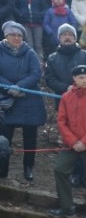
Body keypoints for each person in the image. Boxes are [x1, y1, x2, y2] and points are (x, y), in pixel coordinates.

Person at [48, 64, 86, 218]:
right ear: (74, 79)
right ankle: (67, 206)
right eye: (81, 78)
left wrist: (85, 142)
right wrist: (73, 142)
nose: (84, 80)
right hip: (70, 144)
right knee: (60, 169)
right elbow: (61, 121)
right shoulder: (66, 97)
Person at [0, 21, 47, 181]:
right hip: (6, 99)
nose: (17, 38)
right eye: (13, 34)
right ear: (6, 36)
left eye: (20, 35)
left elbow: (36, 73)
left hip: (28, 98)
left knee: (30, 136)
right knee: (5, 137)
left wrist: (19, 86)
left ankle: (28, 167)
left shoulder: (29, 52)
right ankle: (3, 169)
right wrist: (8, 87)